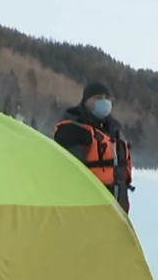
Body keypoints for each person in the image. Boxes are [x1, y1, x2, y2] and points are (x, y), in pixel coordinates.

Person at [53, 82, 133, 212]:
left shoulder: (115, 132)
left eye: (107, 98)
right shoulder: (72, 130)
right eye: (98, 98)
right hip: (86, 211)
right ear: (85, 101)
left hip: (117, 210)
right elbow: (69, 175)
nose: (104, 102)